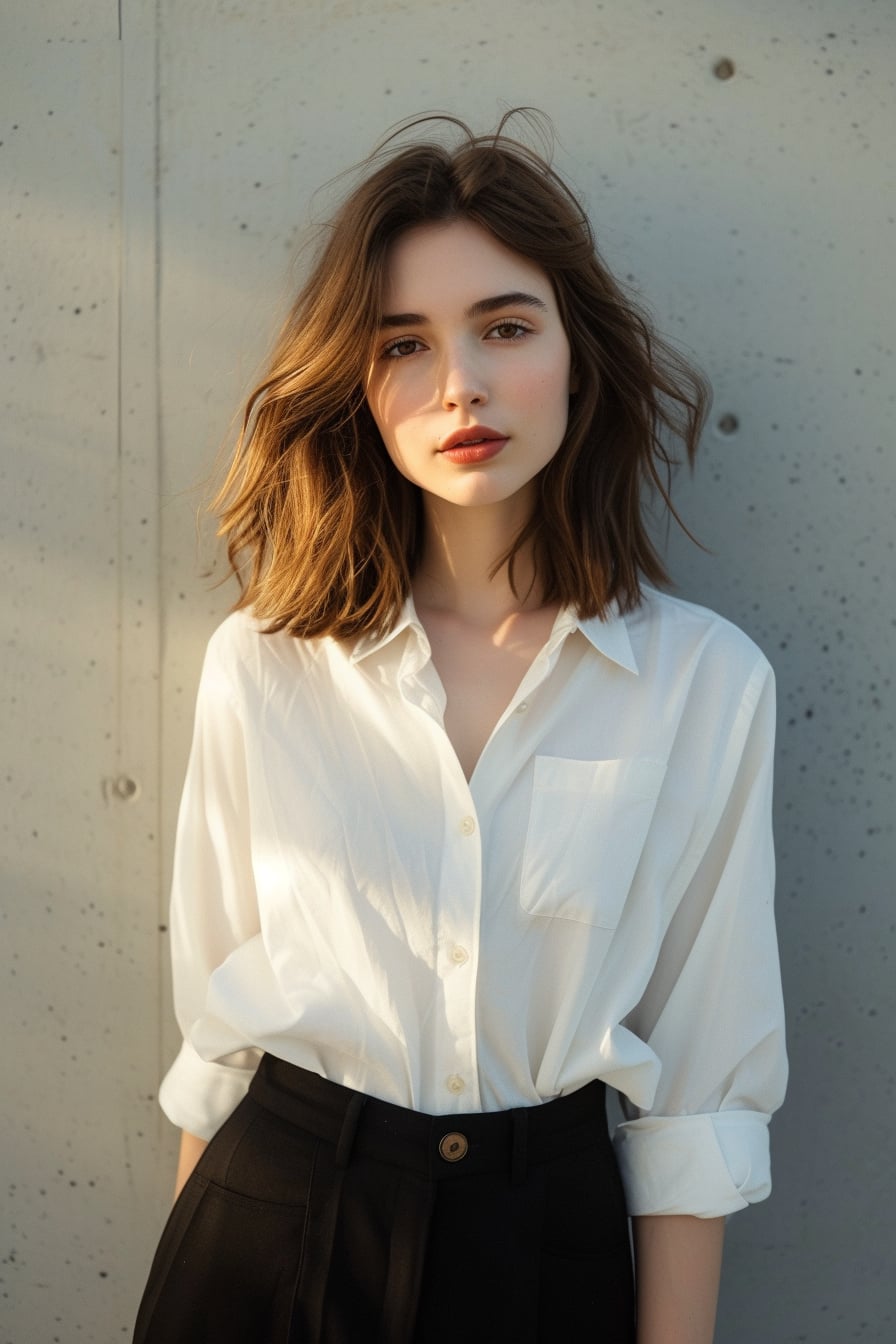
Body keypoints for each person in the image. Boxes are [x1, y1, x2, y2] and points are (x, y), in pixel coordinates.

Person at [133, 110, 787, 1344]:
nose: (460, 386)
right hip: (271, 1232)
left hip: (547, 1248)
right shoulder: (264, 666)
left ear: (574, 353)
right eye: (402, 345)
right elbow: (219, 1051)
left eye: (502, 327)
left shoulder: (704, 684)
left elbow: (698, 1091)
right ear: (358, 385)